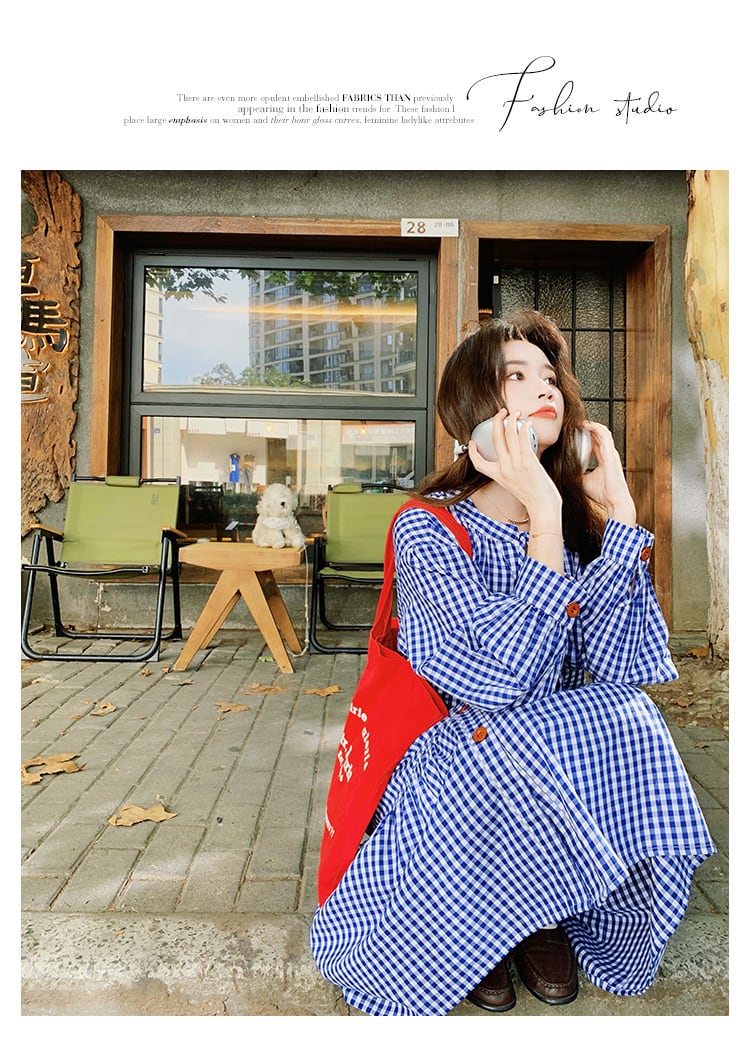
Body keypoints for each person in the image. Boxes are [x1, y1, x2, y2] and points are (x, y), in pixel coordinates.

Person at [309, 308, 716, 1016]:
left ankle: (540, 905)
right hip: (450, 750)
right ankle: (483, 917)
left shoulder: (578, 520)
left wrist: (618, 514)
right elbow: (497, 683)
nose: (546, 387)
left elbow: (619, 663)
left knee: (628, 715)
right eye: (517, 376)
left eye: (550, 375)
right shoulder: (429, 526)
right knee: (511, 735)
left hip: (542, 743)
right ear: (475, 409)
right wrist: (545, 520)